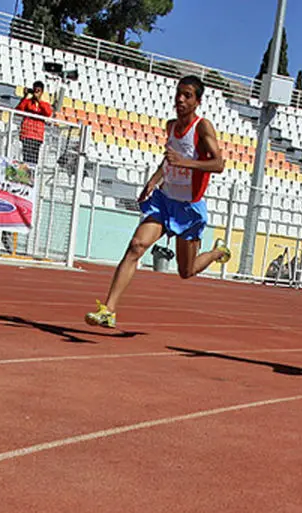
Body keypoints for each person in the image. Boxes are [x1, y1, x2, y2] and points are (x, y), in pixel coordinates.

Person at [85, 75, 229, 329]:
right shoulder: (171, 126)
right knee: (137, 245)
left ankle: (218, 251)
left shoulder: (203, 127)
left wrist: (184, 162)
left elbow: (218, 164)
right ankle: (109, 310)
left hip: (188, 208)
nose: (180, 99)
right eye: (178, 94)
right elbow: (168, 162)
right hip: (164, 200)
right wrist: (153, 181)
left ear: (198, 101)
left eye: (187, 95)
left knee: (186, 271)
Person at [16, 79, 52, 165]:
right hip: (27, 133)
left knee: (34, 159)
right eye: (35, 90)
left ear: (42, 92)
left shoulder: (44, 104)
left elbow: (48, 113)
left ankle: (32, 175)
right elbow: (18, 110)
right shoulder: (28, 102)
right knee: (26, 157)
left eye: (38, 91)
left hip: (37, 135)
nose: (36, 93)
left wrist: (38, 100)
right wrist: (25, 97)